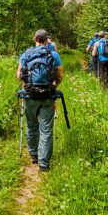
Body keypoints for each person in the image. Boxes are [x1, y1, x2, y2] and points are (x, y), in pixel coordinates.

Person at [17, 29, 63, 172]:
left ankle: (33, 154)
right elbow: (59, 76)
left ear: (34, 38)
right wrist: (53, 87)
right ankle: (44, 164)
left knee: (31, 126)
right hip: (47, 97)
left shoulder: (26, 55)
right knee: (46, 130)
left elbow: (19, 75)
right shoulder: (53, 55)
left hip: (30, 96)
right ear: (47, 40)